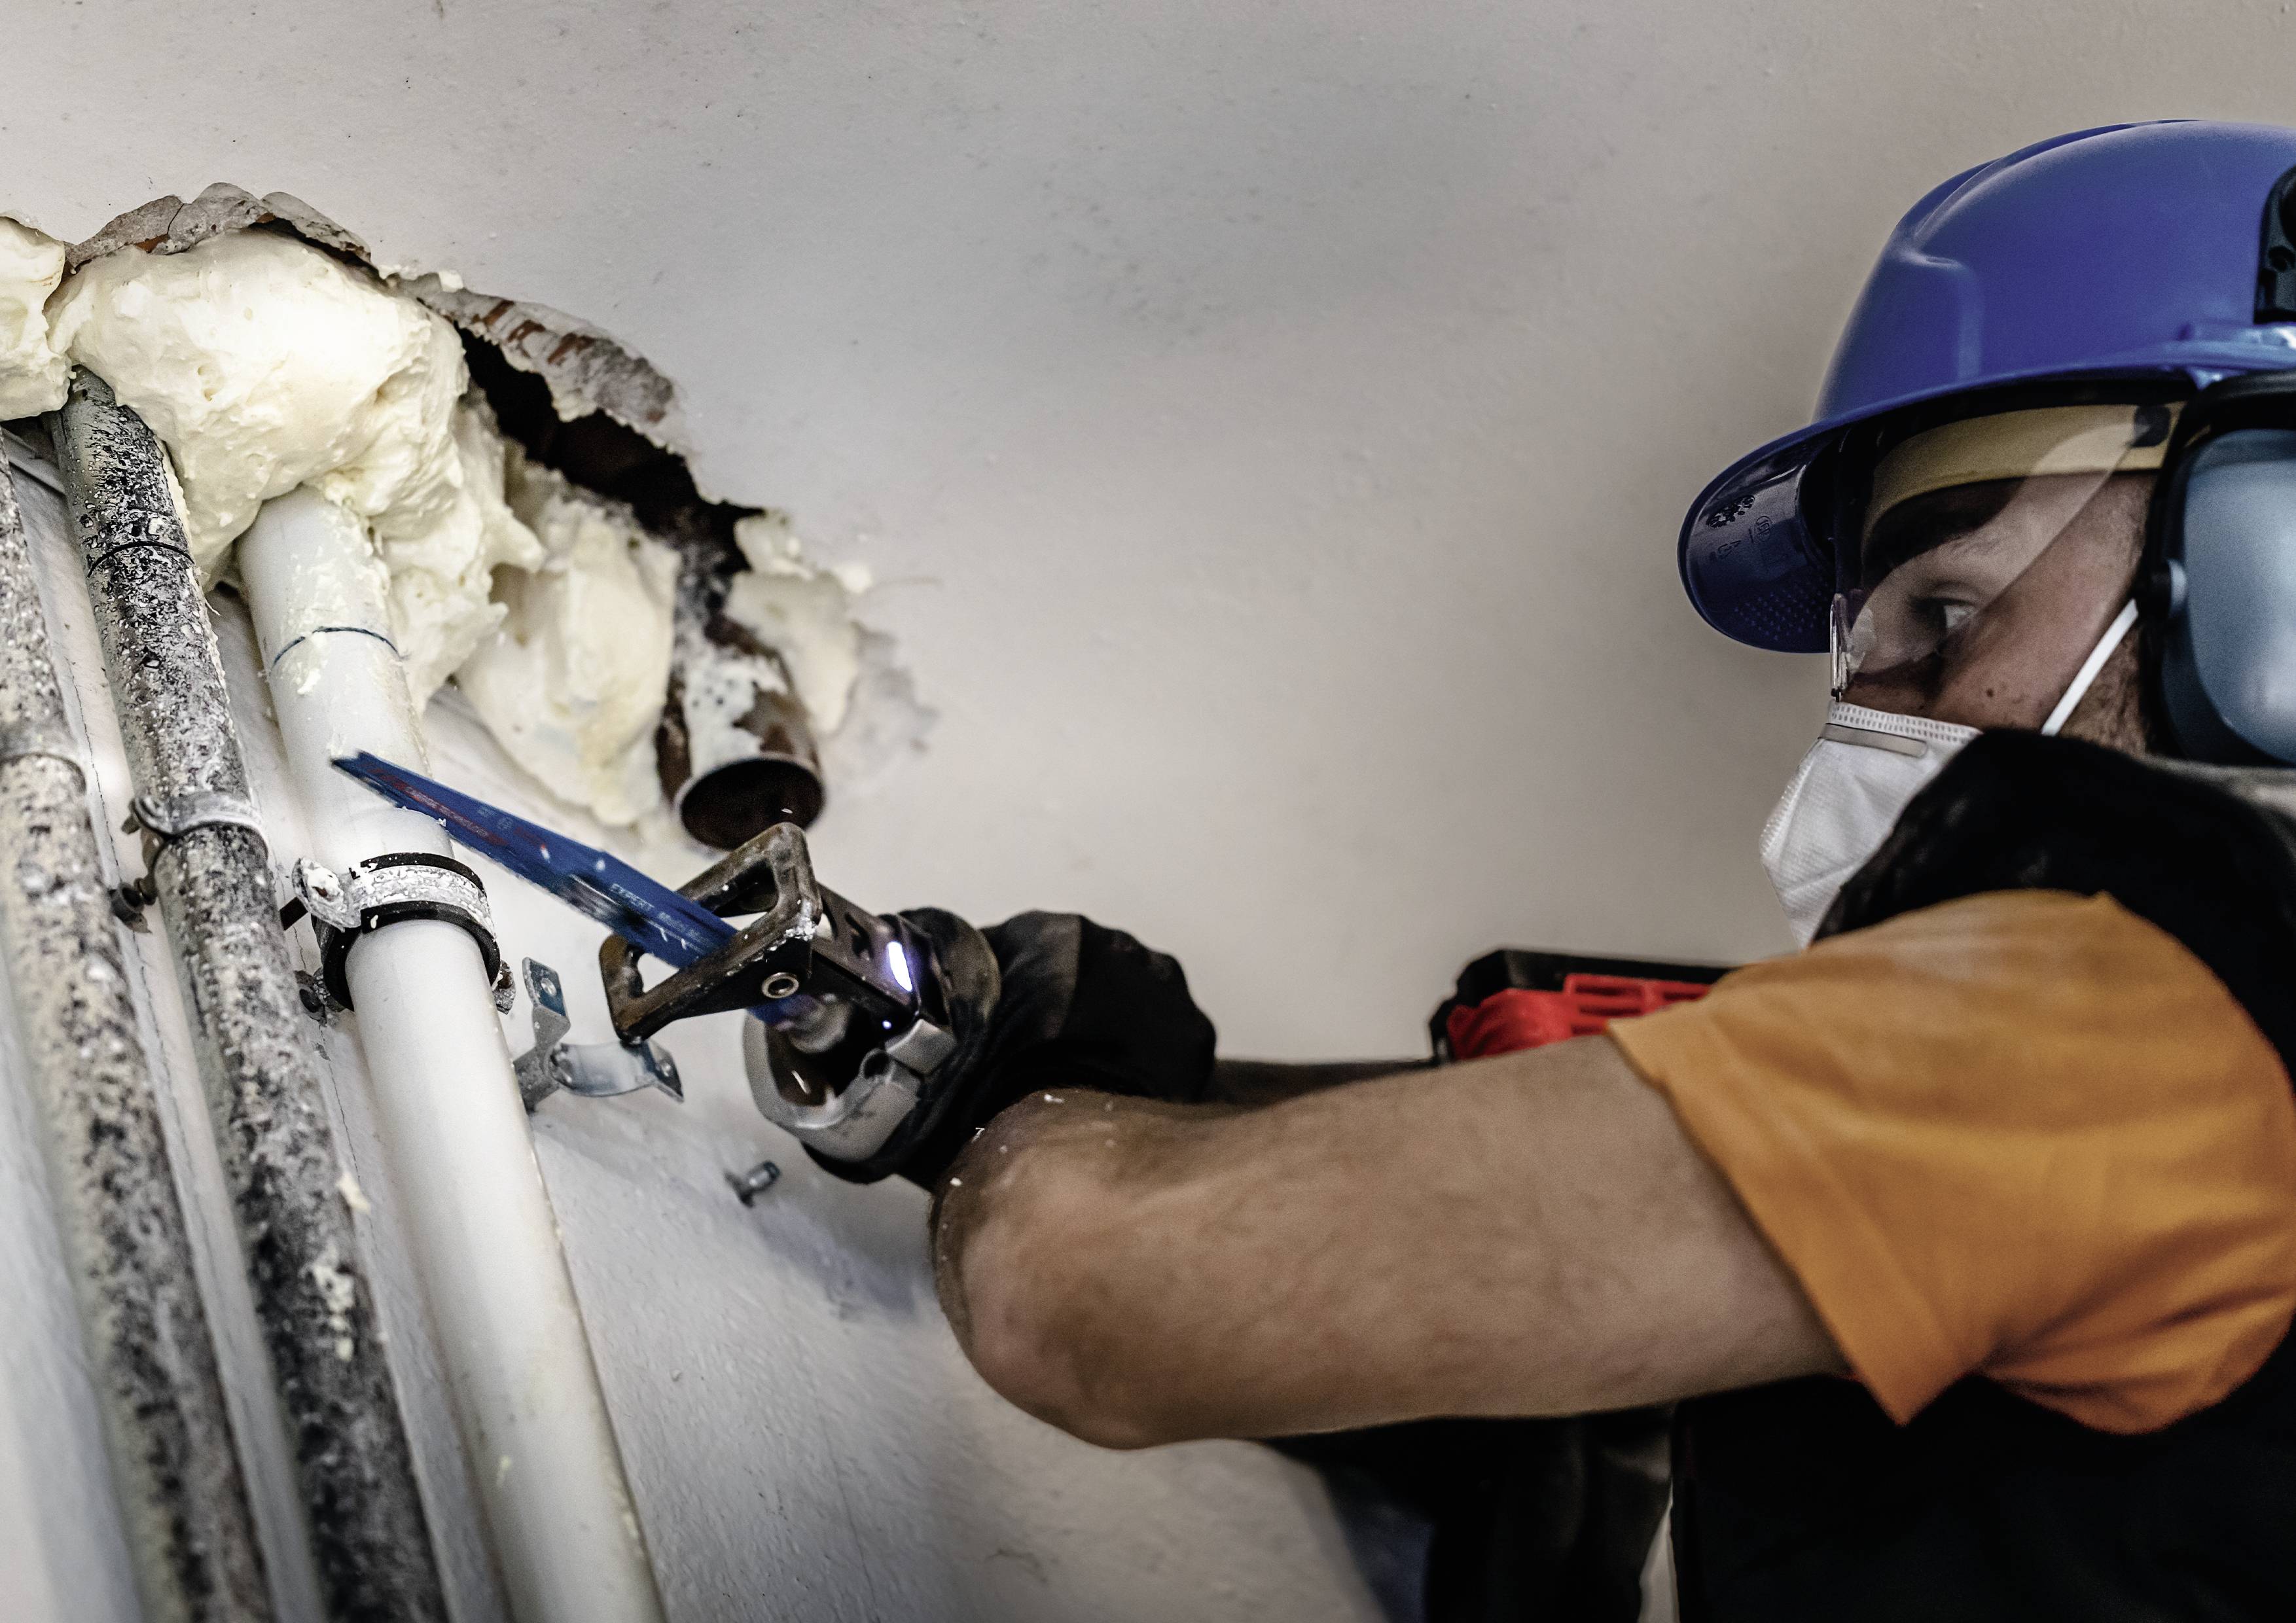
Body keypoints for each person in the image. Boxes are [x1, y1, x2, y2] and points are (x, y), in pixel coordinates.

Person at [832, 122, 2296, 1619]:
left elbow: (1086, 1299)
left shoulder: (2125, 1022)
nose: (1872, 737)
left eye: (1936, 625)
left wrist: (1035, 1107)